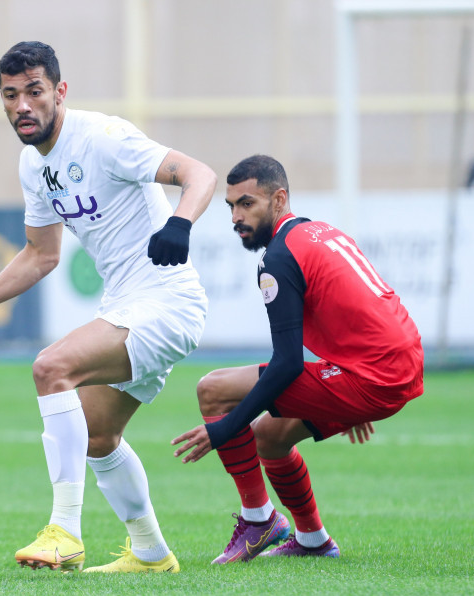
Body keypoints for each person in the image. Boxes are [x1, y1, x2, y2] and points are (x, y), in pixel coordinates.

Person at [0, 41, 216, 573]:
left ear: (59, 91)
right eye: (11, 95)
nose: (22, 105)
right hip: (127, 303)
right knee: (99, 437)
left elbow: (200, 175)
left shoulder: (104, 138)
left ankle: (65, 532)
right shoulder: (33, 165)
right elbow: (40, 254)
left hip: (166, 302)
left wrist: (180, 224)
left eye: (34, 91)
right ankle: (150, 552)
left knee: (51, 367)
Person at [172, 154, 423, 561]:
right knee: (270, 436)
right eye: (231, 206)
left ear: (279, 200)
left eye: (247, 204)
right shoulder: (322, 232)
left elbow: (287, 363)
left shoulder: (279, 258)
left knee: (213, 390)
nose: (236, 216)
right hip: (399, 362)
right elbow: (362, 308)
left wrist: (224, 430)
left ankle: (258, 520)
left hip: (373, 375)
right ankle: (313, 540)